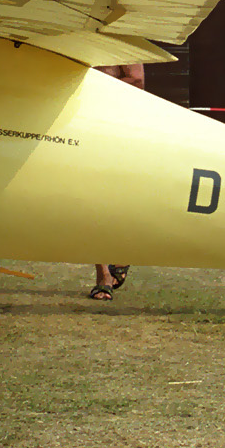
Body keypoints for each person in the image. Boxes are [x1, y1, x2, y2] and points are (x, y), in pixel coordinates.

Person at [89, 63, 143, 302]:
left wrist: (94, 85)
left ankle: (121, 257)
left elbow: (138, 80)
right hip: (88, 125)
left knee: (117, 202)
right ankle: (102, 276)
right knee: (92, 202)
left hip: (118, 127)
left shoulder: (122, 39)